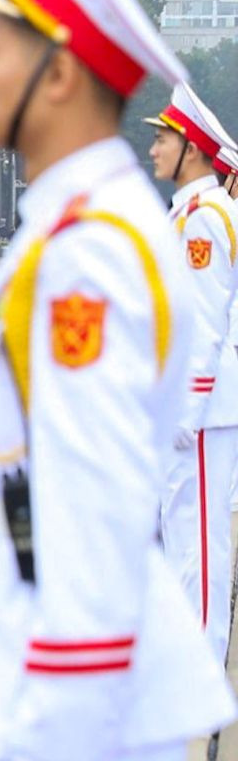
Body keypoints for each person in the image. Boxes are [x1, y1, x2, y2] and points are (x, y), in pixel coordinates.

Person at [0, 0, 234, 759]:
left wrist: (69, 716)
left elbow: (89, 505)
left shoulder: (89, 252)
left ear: (58, 77)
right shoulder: (87, 227)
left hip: (62, 692)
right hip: (35, 649)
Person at [143, 83, 238, 662]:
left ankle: (201, 667)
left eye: (163, 139)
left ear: (194, 151)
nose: (154, 149)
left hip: (200, 405)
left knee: (199, 540)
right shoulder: (190, 214)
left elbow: (203, 324)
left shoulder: (203, 220)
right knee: (181, 531)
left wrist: (188, 405)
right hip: (188, 400)